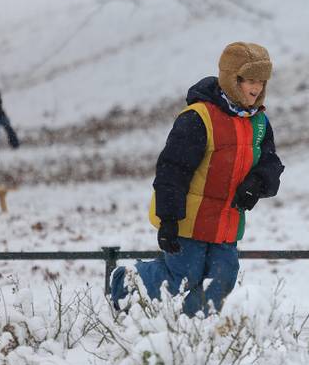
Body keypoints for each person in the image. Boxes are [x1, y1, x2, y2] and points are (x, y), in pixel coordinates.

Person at [110, 42, 284, 316]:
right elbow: (172, 170)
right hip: (189, 220)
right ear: (232, 79)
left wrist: (258, 182)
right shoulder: (198, 118)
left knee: (222, 278)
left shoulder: (259, 123)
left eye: (261, 81)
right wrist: (168, 219)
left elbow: (271, 163)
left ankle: (195, 327)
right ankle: (124, 283)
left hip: (227, 221)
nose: (257, 88)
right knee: (183, 276)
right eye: (250, 80)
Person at [0, 88, 21, 164]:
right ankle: (15, 144)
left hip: (0, 113)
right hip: (0, 113)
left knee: (9, 128)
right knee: (7, 128)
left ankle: (15, 144)